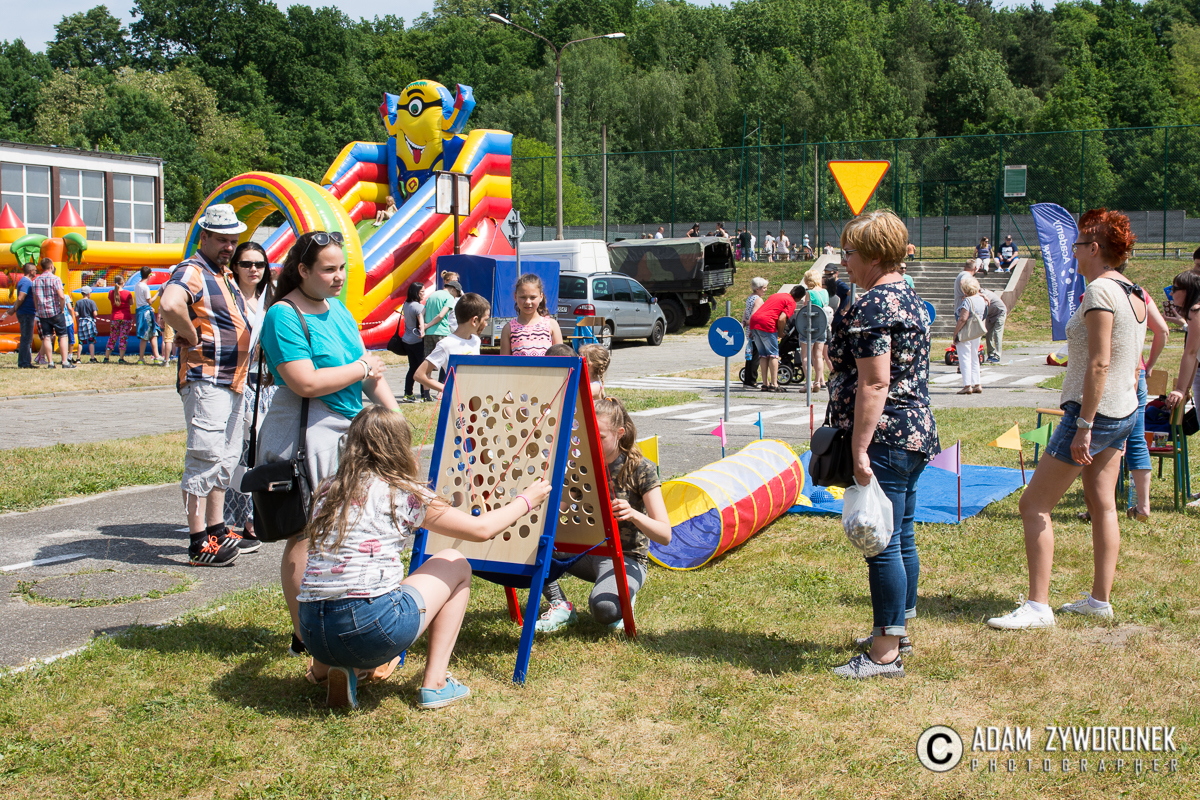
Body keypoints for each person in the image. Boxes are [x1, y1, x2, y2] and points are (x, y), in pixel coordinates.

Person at [299, 405, 553, 709]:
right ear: (399, 446)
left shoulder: (328, 489)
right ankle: (435, 684)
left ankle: (328, 670)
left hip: (312, 630)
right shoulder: (400, 491)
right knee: (456, 563)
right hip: (370, 627)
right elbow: (481, 529)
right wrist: (527, 500)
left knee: (353, 593)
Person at [988, 209, 1146, 631]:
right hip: (1124, 409)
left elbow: (1099, 362)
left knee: (1033, 504)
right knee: (1102, 503)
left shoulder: (1099, 291)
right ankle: (1099, 601)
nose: (1073, 251)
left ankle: (1038, 607)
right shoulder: (1133, 290)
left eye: (1077, 245)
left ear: (1093, 249)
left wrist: (1084, 425)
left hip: (1094, 414)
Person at [257, 228, 399, 656]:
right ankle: (305, 636)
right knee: (307, 532)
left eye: (342, 268)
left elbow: (371, 372)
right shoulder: (282, 315)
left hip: (350, 428)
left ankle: (336, 623)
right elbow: (304, 382)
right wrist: (362, 368)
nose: (339, 277)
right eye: (329, 270)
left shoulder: (338, 309)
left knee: (347, 529)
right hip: (309, 432)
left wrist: (394, 419)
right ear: (302, 270)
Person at [826, 210, 937, 679]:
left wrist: (859, 450)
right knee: (901, 532)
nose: (844, 261)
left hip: (886, 435)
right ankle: (896, 629)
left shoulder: (874, 306)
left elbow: (875, 382)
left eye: (849, 252)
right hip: (914, 432)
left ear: (872, 256)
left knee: (881, 542)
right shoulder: (909, 297)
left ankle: (885, 653)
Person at [159, 204, 254, 568]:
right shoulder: (193, 270)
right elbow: (170, 303)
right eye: (221, 239)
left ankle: (216, 530)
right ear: (204, 237)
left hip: (231, 380)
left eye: (233, 240)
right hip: (208, 379)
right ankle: (198, 542)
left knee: (224, 459)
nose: (229, 246)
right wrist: (190, 333)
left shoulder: (222, 273)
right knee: (204, 457)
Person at [534, 396, 672, 633]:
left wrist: (633, 514)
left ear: (620, 433)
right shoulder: (581, 465)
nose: (593, 443)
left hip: (627, 557)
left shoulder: (641, 469)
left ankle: (624, 593)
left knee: (604, 609)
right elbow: (559, 510)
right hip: (588, 551)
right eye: (588, 436)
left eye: (600, 437)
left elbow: (665, 534)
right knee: (536, 545)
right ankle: (560, 605)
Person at [221, 242, 275, 550]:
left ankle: (257, 516)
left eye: (259, 264)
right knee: (239, 453)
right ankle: (234, 520)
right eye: (246, 263)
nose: (253, 269)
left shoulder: (272, 300)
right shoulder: (230, 299)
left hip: (267, 385)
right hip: (239, 384)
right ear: (235, 267)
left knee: (262, 453)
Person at [1123, 289, 1168, 521]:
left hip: (1113, 374)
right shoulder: (1139, 293)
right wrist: (1148, 365)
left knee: (1105, 442)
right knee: (1136, 439)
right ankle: (1143, 506)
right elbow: (1163, 331)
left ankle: (1099, 507)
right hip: (1137, 372)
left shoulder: (1100, 290)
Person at [1165, 270, 1200, 509]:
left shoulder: (1196, 311)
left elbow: (1191, 352)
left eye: (1175, 289)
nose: (1171, 293)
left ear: (1188, 291)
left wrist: (1179, 389)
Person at [415, 293, 491, 396]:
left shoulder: (476, 341)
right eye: (485, 320)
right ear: (474, 320)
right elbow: (420, 374)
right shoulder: (446, 344)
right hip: (457, 402)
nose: (486, 324)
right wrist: (448, 389)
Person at [749, 285, 806, 393]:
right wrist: (780, 332)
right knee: (773, 354)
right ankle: (774, 384)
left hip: (754, 322)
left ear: (791, 291)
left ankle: (765, 384)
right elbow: (782, 318)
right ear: (799, 298)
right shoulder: (791, 302)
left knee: (763, 354)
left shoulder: (776, 295)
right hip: (767, 323)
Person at [500, 274, 563, 357]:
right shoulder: (508, 328)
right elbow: (504, 362)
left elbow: (560, 359)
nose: (528, 302)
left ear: (541, 297)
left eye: (533, 297)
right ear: (515, 297)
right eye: (523, 297)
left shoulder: (552, 325)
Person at [31, 258, 74, 369]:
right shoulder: (56, 279)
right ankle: (65, 362)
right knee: (63, 336)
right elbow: (61, 296)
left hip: (43, 313)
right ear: (51, 266)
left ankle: (50, 362)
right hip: (56, 312)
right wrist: (62, 309)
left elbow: (35, 299)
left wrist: (38, 310)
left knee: (46, 337)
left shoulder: (36, 280)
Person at [0, 262, 37, 368]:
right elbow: (21, 297)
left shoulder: (24, 281)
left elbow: (19, 298)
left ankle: (26, 361)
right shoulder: (26, 282)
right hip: (26, 313)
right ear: (31, 271)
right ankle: (24, 362)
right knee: (26, 338)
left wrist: (14, 308)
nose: (36, 272)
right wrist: (14, 309)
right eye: (35, 270)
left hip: (26, 312)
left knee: (27, 338)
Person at [953, 276, 986, 394]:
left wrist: (955, 333)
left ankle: (967, 385)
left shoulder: (967, 301)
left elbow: (963, 318)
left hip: (966, 331)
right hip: (976, 332)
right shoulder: (981, 299)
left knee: (964, 357)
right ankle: (977, 383)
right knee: (974, 356)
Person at [399, 282, 430, 403]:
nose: (424, 294)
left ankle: (408, 393)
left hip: (407, 340)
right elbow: (421, 323)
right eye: (421, 292)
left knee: (412, 368)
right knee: (423, 368)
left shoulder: (406, 304)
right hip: (417, 341)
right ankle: (424, 394)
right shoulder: (418, 307)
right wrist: (423, 330)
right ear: (416, 293)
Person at [800, 269, 830, 390]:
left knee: (805, 356)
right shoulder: (825, 292)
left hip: (809, 326)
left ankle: (808, 383)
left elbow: (805, 309)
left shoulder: (810, 293)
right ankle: (818, 381)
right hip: (822, 326)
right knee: (818, 356)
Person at [422, 271, 460, 365]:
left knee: (429, 361)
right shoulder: (449, 297)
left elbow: (421, 313)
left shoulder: (433, 295)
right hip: (442, 331)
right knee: (446, 361)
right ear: (453, 289)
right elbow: (441, 315)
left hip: (429, 333)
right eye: (454, 281)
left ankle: (426, 374)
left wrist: (423, 327)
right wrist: (426, 326)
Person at [741, 277, 768, 388]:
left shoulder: (750, 297)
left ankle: (748, 379)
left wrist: (744, 322)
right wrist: (749, 323)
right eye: (764, 288)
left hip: (750, 329)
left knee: (750, 355)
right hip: (755, 330)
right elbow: (754, 316)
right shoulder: (758, 300)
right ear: (757, 289)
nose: (766, 290)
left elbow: (745, 312)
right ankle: (751, 381)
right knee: (755, 356)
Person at [134, 267, 163, 365]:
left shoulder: (137, 285)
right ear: (149, 275)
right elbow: (149, 301)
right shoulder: (145, 287)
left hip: (141, 311)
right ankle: (153, 357)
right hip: (146, 314)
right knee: (151, 334)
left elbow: (142, 302)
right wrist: (158, 292)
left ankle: (148, 357)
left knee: (149, 334)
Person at [104, 275, 134, 364]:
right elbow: (131, 303)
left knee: (112, 337)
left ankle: (106, 357)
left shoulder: (111, 292)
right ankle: (121, 358)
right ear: (123, 283)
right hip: (125, 317)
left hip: (114, 318)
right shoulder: (127, 293)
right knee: (123, 338)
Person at [981, 288, 1007, 364]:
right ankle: (991, 354)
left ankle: (998, 355)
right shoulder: (977, 295)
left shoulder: (986, 294)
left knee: (997, 333)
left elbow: (982, 309)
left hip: (1000, 313)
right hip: (990, 315)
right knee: (988, 334)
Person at [76, 286, 99, 362]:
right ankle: (92, 358)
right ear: (88, 293)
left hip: (81, 322)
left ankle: (78, 358)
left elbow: (76, 313)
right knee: (91, 341)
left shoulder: (78, 302)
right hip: (89, 322)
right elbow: (95, 313)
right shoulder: (92, 302)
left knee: (80, 341)